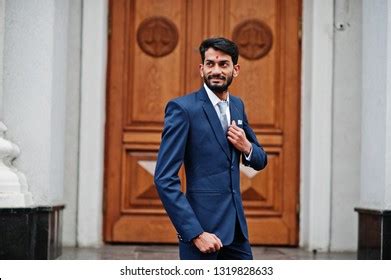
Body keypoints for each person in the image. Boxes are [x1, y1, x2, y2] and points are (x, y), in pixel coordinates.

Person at [154, 37, 267, 260]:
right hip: (202, 233)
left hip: (236, 233)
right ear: (201, 69)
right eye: (210, 64)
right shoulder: (183, 109)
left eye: (223, 64)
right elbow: (164, 178)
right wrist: (195, 233)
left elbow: (260, 160)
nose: (216, 70)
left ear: (235, 70)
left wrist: (246, 146)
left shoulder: (237, 105)